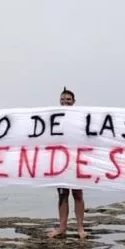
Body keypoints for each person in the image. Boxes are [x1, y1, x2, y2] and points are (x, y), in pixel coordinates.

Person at [48, 88, 86, 239]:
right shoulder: (54, 119)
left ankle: (80, 228)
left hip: (77, 161)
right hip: (60, 162)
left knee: (78, 194)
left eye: (68, 100)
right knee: (62, 196)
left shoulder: (80, 119)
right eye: (63, 100)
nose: (65, 102)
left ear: (74, 102)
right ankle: (62, 227)